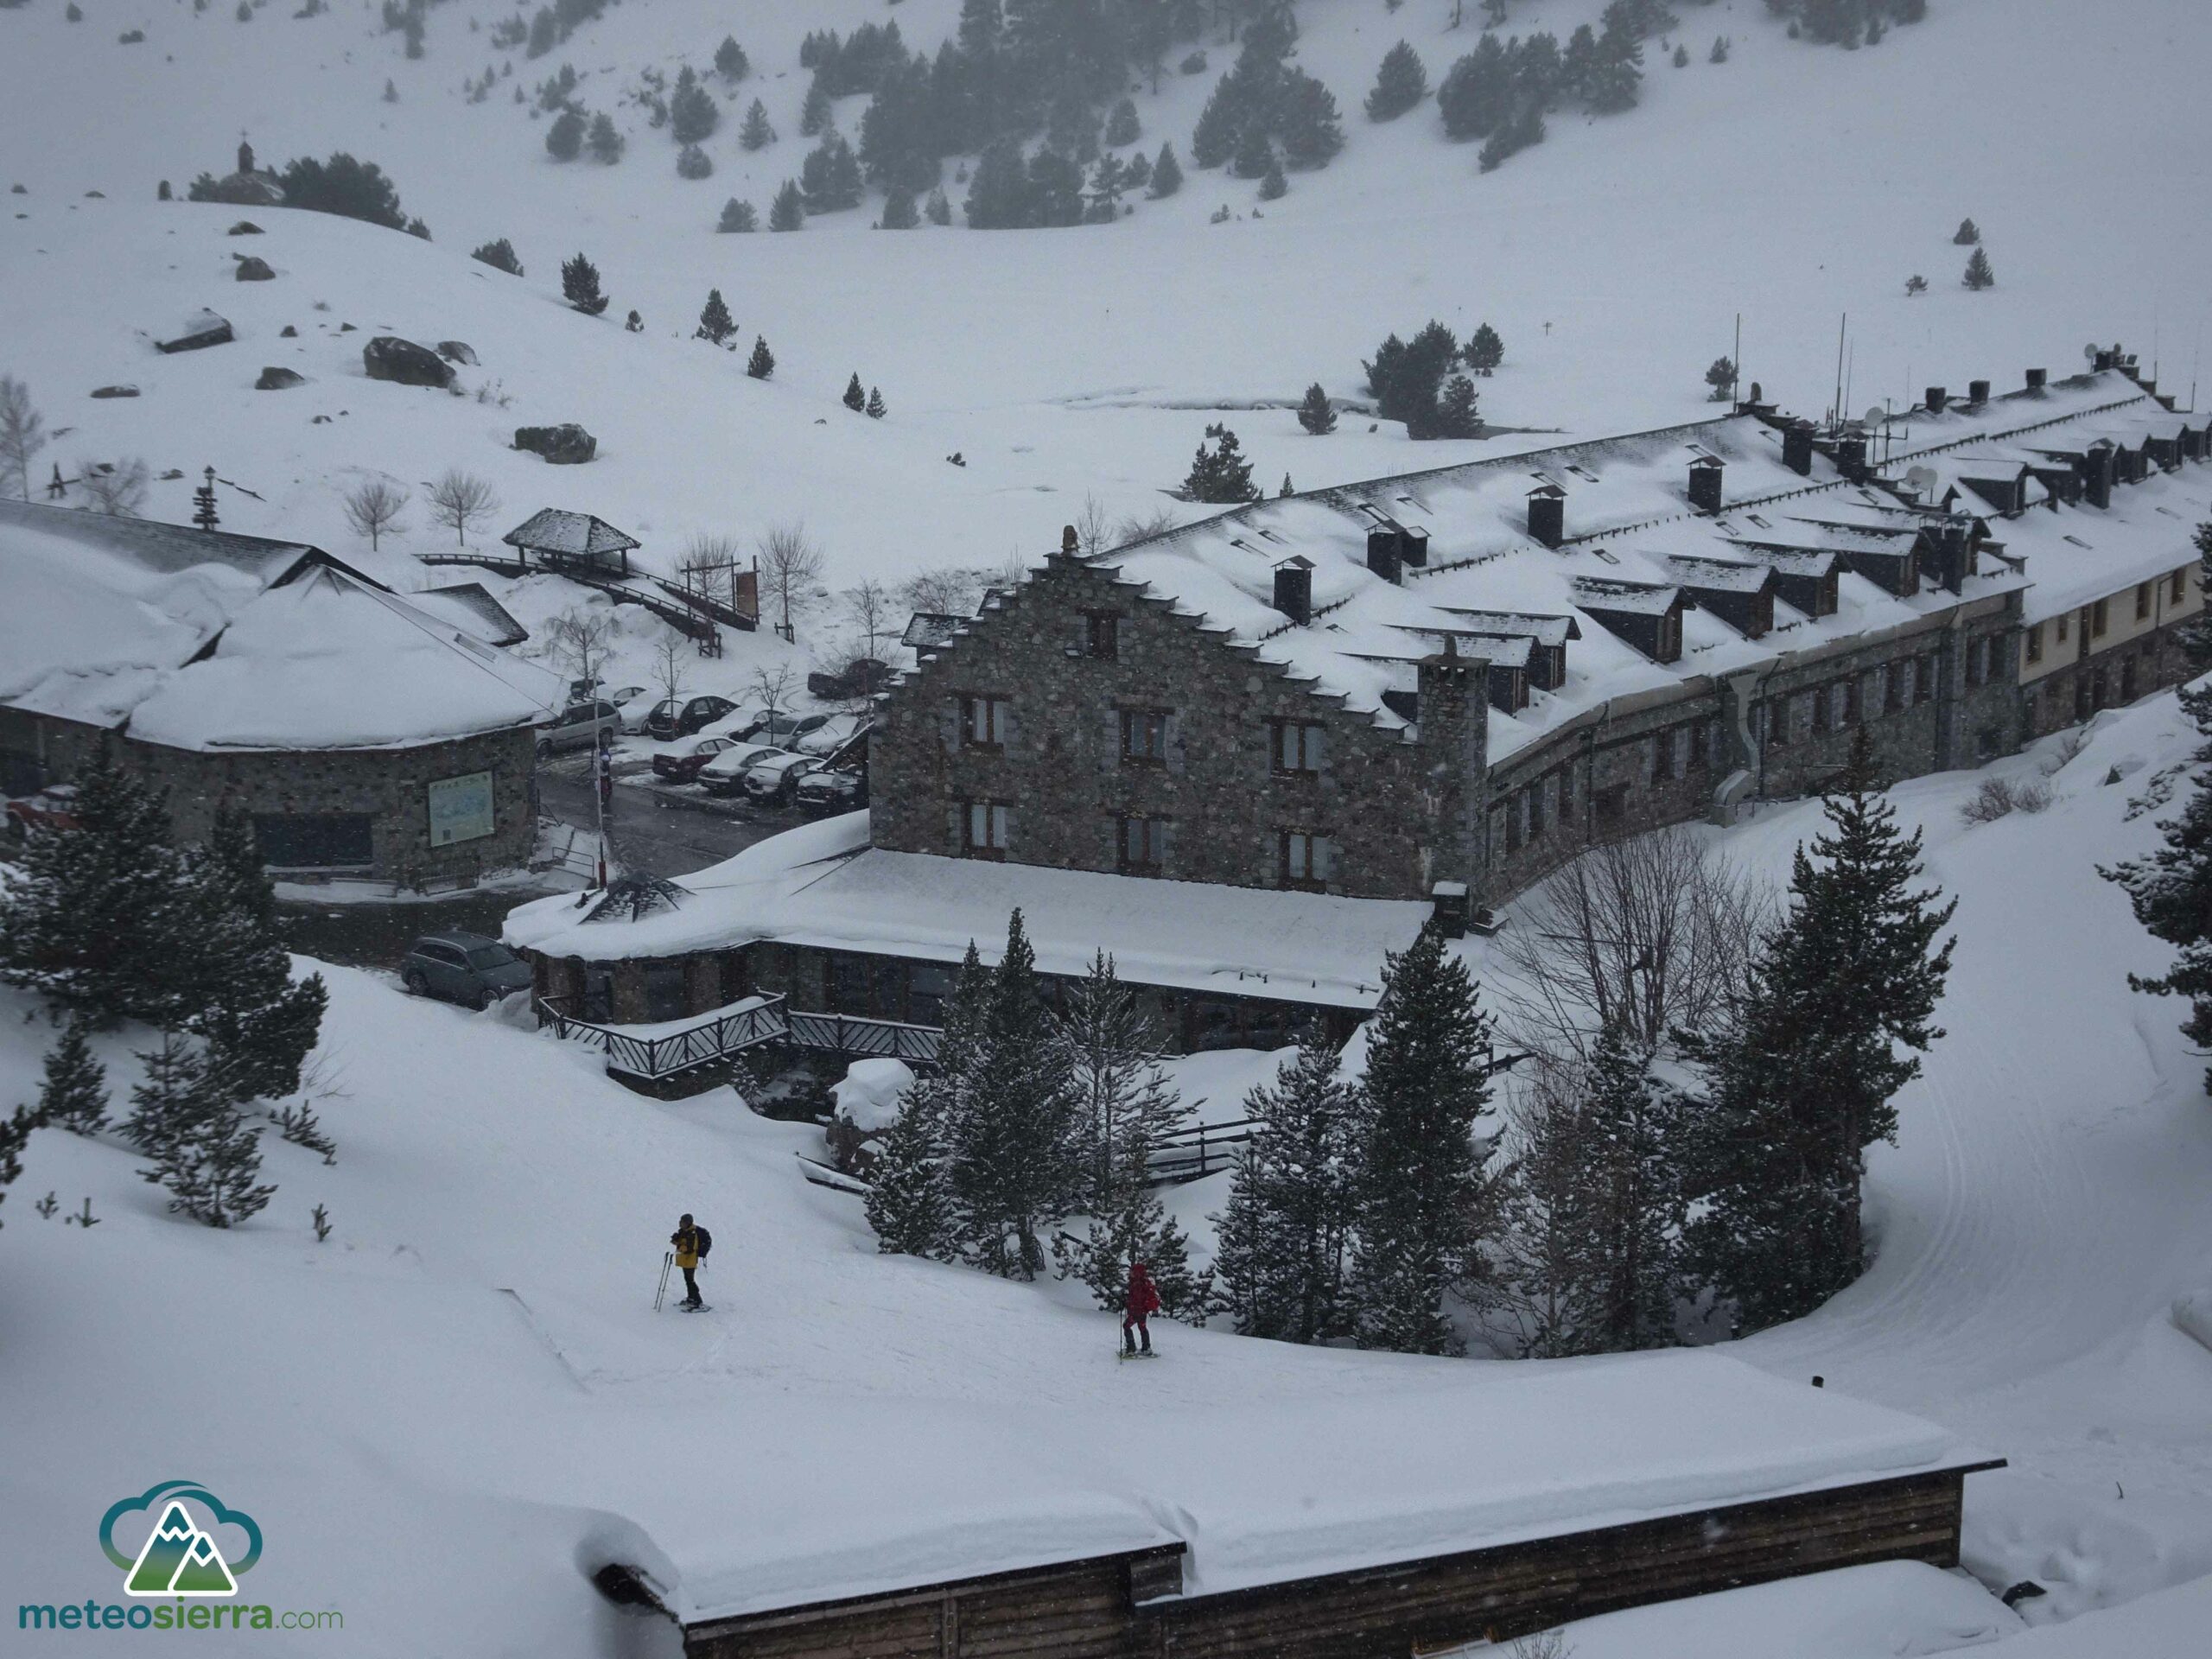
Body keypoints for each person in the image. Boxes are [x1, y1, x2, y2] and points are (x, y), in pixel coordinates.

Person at [670, 1213, 710, 1309]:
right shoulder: (685, 1231)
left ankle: (697, 1300)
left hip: (690, 1260)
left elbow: (690, 1249)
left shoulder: (692, 1233)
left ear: (687, 1223)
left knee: (690, 1280)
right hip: (686, 1261)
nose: (680, 1223)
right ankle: (691, 1298)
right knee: (688, 1280)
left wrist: (678, 1245)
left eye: (682, 1222)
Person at [1122, 1260, 1160, 1356]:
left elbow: (1136, 1299)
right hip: (1143, 1311)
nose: (1130, 1273)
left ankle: (1131, 1348)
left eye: (1132, 1271)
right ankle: (1146, 1348)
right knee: (1142, 1328)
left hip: (1136, 1311)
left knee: (1126, 1326)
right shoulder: (1143, 1282)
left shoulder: (1137, 1284)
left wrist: (1128, 1303)